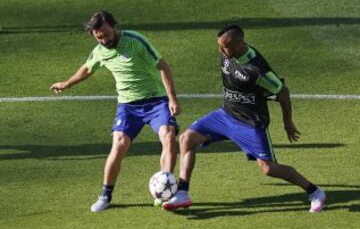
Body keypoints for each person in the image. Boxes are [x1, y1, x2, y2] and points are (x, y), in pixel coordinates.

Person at [163, 24, 326, 213]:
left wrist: (287, 122)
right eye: (220, 46)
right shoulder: (226, 53)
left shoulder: (256, 70)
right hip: (226, 115)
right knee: (186, 139)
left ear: (238, 45)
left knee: (269, 169)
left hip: (250, 123)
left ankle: (314, 191)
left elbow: (283, 92)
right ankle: (183, 193)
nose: (221, 50)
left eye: (225, 47)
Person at [50, 11, 180, 213]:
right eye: (98, 37)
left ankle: (165, 193)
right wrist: (66, 83)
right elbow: (87, 68)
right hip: (128, 106)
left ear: (114, 26)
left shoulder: (135, 41)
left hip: (156, 101)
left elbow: (163, 66)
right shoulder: (100, 51)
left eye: (105, 34)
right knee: (118, 145)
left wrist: (172, 99)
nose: (103, 40)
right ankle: (106, 195)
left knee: (169, 137)